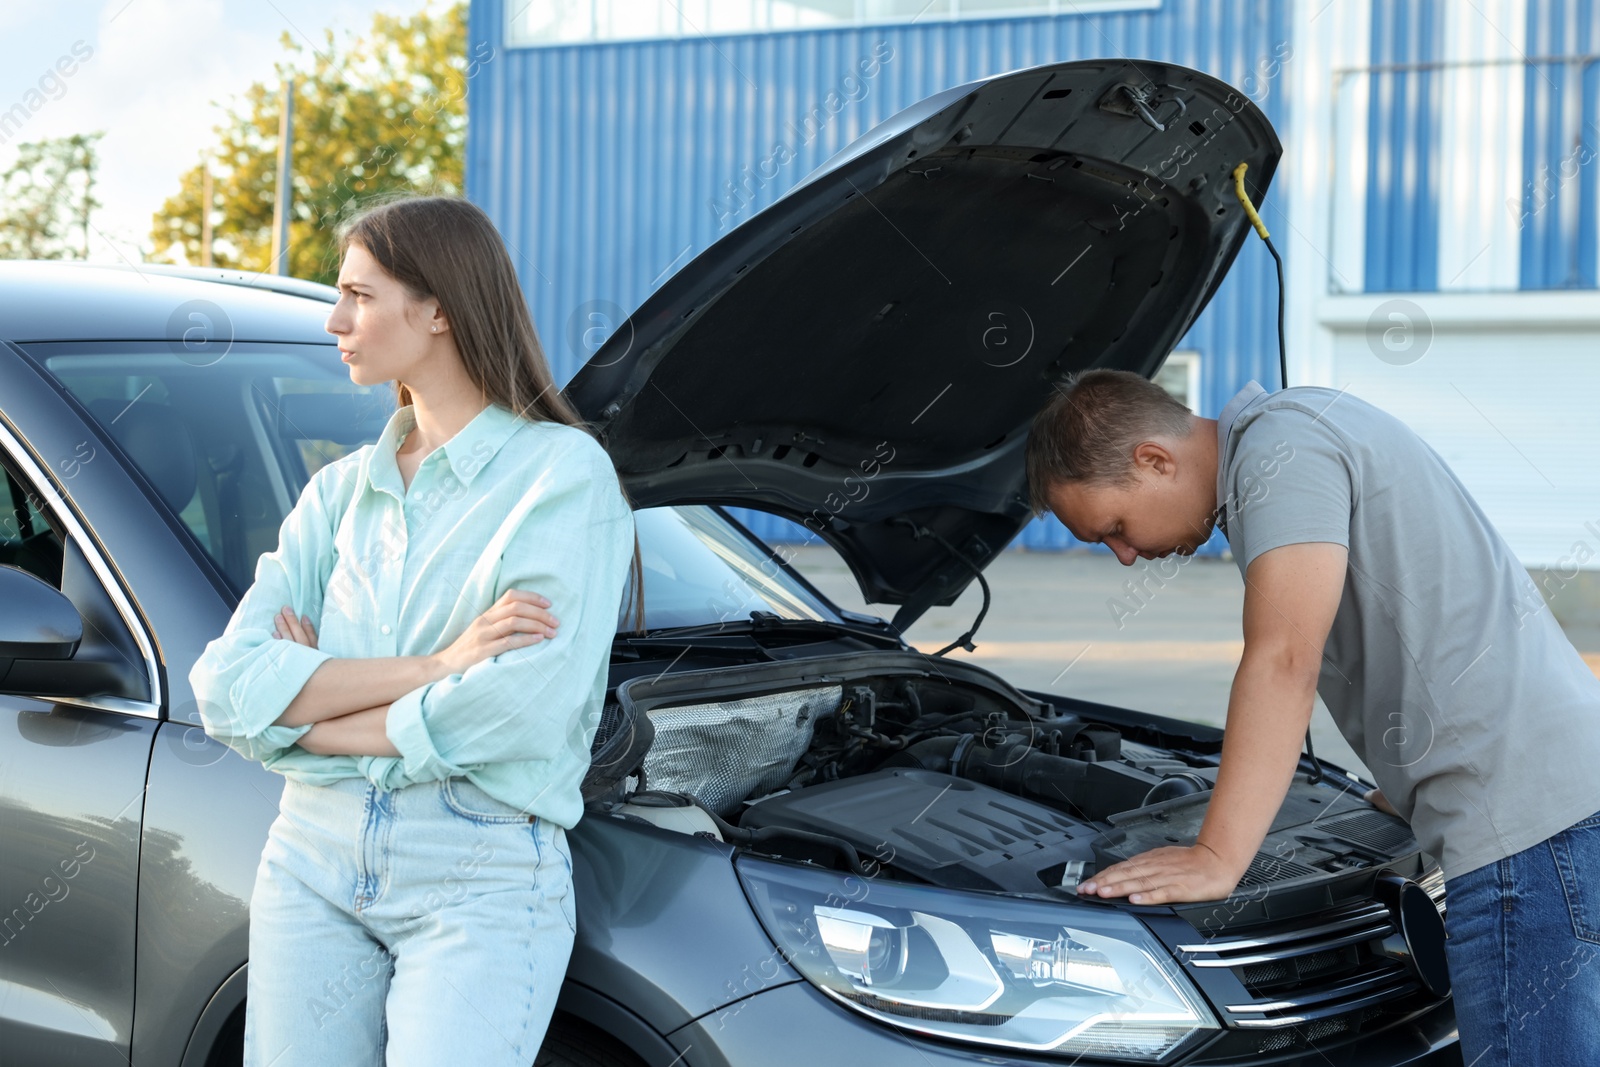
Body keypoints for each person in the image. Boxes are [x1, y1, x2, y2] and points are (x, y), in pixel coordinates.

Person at [1024, 368, 1600, 1066]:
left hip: (1525, 835)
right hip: (1553, 802)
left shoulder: (1280, 452)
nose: (1124, 555)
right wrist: (1415, 780)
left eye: (1114, 526)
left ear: (1154, 458)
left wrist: (1216, 855)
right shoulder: (1303, 429)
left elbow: (1283, 657)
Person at [189, 195, 643, 1066]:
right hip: (310, 861)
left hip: (479, 876)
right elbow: (228, 692)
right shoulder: (337, 492)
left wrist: (307, 720)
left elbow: (519, 714)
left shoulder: (561, 474)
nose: (335, 320)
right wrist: (437, 664)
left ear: (437, 308)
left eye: (359, 295)